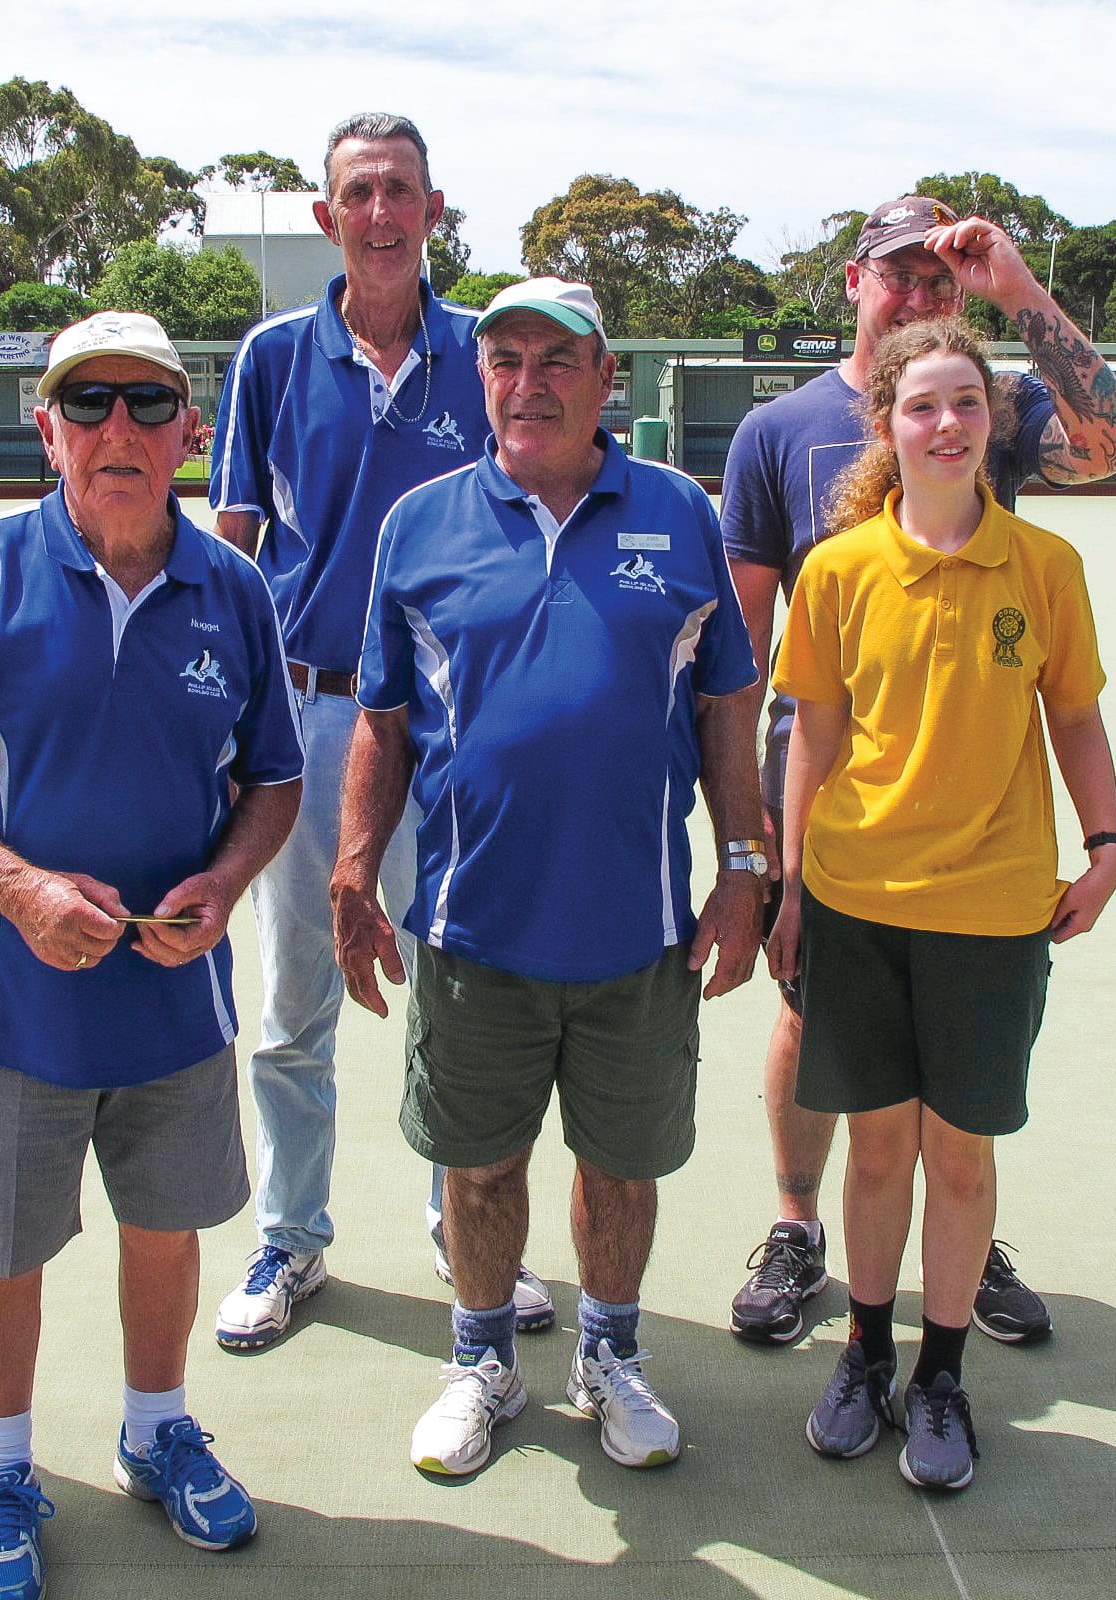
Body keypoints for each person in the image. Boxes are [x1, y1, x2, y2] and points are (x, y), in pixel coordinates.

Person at [0, 312, 303, 1600]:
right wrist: (17, 889)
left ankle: (156, 1429)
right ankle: (0, 1468)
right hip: (16, 1006)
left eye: (148, 403)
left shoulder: (237, 591)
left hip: (175, 1001)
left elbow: (273, 780)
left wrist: (223, 887)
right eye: (89, 402)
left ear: (190, 430)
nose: (120, 428)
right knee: (2, 1247)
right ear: (47, 426)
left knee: (166, 1231)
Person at [332, 278, 764, 1477]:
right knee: (478, 1165)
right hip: (473, 926)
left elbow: (730, 699)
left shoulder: (679, 513)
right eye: (505, 358)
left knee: (621, 1166)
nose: (529, 381)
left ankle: (609, 1354)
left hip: (638, 929)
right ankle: (481, 1360)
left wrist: (744, 864)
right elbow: (381, 716)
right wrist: (355, 867)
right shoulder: (419, 524)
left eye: (556, 359)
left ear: (604, 375)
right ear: (483, 378)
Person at [721, 195, 1116, 1347]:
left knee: (956, 1088)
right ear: (853, 281)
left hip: (974, 821)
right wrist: (756, 839)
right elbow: (740, 649)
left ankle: (962, 1244)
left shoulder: (993, 409)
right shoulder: (777, 433)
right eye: (896, 272)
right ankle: (799, 1223)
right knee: (812, 1025)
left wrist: (1015, 285)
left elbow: (1114, 443)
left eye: (938, 277)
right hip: (832, 818)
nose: (918, 291)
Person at [210, 111, 552, 1351]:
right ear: (326, 216)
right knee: (298, 995)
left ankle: (463, 1224)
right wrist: (228, 720)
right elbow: (236, 554)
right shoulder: (268, 358)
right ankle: (292, 1236)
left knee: (452, 986)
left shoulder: (488, 356)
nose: (379, 211)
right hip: (305, 718)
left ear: (433, 207)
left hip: (452, 725)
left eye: (399, 189)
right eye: (357, 191)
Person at [767, 317, 1116, 1489]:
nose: (947, 424)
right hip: (859, 895)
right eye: (922, 405)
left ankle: (942, 1377)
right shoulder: (837, 569)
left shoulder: (1045, 567)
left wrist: (1107, 839)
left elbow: (1072, 712)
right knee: (877, 1155)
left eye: (967, 403)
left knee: (959, 1161)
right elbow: (814, 729)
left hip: (996, 905)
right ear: (887, 424)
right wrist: (787, 879)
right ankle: (865, 1354)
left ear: (993, 421)